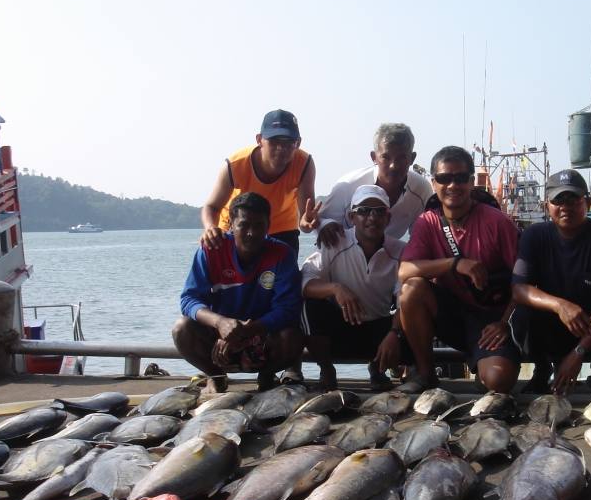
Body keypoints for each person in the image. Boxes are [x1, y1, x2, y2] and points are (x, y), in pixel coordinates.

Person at [397, 145, 521, 394]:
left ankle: (483, 369)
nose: (452, 185)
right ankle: (426, 374)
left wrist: (505, 322)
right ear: (434, 183)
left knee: (499, 382)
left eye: (460, 178)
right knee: (411, 289)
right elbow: (404, 271)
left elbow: (526, 281)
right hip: (452, 315)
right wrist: (454, 264)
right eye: (444, 178)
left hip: (491, 320)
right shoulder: (427, 222)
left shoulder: (497, 223)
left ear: (472, 182)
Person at [510, 169, 591, 395]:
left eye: (573, 199)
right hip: (554, 323)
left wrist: (578, 352)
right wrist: (561, 306)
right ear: (546, 206)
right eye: (558, 200)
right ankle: (542, 370)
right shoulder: (534, 235)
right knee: (523, 315)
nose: (566, 206)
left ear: (587, 203)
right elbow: (519, 289)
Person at [174, 192, 303, 393]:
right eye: (243, 225)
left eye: (259, 225)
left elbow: (288, 309)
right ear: (231, 225)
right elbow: (189, 299)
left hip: (261, 333)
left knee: (292, 336)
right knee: (182, 328)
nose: (251, 232)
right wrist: (220, 323)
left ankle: (267, 376)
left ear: (268, 226)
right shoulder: (210, 250)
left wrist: (244, 330)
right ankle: (215, 375)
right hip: (218, 336)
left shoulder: (282, 254)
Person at [301, 185, 405, 391]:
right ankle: (326, 370)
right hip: (339, 329)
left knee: (410, 313)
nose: (372, 217)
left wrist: (395, 332)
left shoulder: (401, 251)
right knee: (308, 306)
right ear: (351, 217)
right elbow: (305, 282)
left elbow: (405, 299)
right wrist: (336, 288)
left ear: (388, 217)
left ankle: (379, 369)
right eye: (364, 211)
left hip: (379, 331)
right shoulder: (334, 243)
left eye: (379, 211)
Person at [199, 109, 316, 258]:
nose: (281, 149)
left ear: (298, 143)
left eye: (288, 143)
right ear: (259, 140)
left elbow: (305, 219)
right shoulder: (235, 165)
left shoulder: (304, 164)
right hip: (239, 228)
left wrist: (307, 223)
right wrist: (210, 228)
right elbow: (211, 206)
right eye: (274, 142)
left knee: (284, 278)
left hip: (282, 231)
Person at [313, 123, 432, 248]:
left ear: (412, 158)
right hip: (345, 255)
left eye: (401, 158)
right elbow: (322, 223)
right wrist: (326, 225)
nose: (393, 166)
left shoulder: (421, 190)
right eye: (386, 157)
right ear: (374, 157)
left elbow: (421, 239)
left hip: (387, 258)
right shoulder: (348, 186)